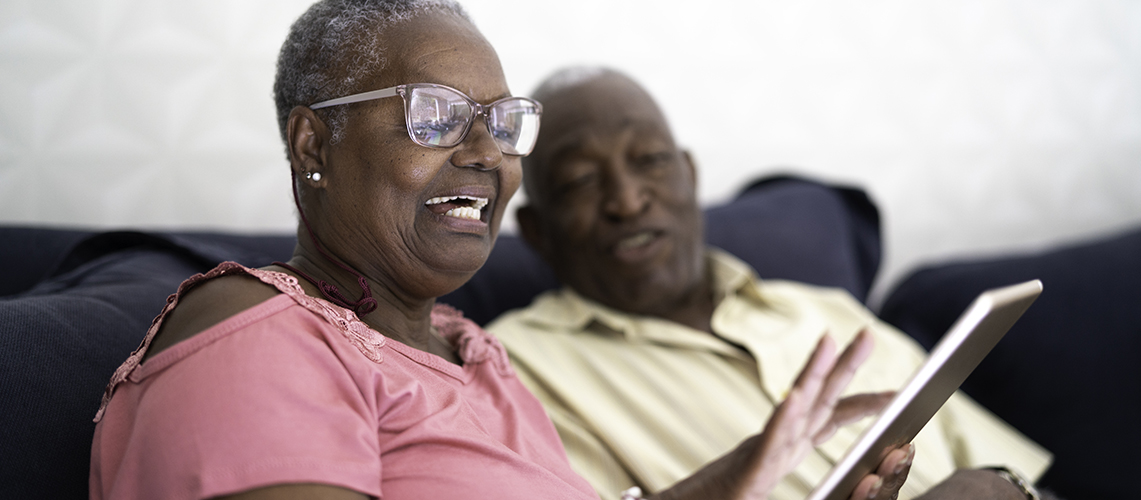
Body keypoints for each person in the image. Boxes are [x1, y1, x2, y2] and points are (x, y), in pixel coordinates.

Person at [88, 2, 913, 499]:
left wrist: (737, 478)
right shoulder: (258, 337)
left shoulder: (470, 353)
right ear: (314, 143)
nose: (485, 152)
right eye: (437, 115)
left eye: (502, 122)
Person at [488, 67, 1055, 500]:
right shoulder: (514, 369)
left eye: (651, 160)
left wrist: (999, 485)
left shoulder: (826, 310)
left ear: (688, 175)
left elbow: (1022, 476)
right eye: (581, 180)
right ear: (538, 230)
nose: (628, 200)